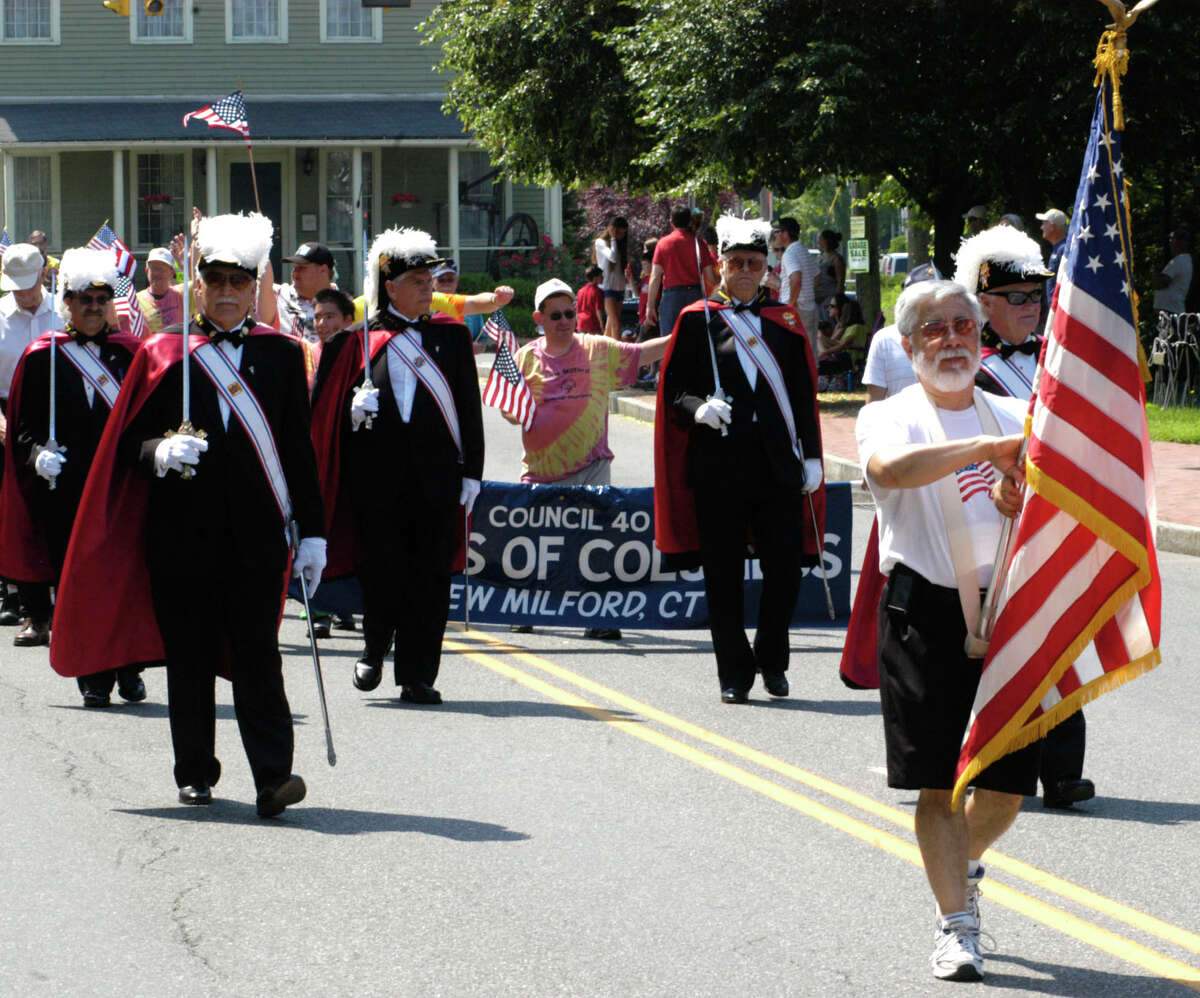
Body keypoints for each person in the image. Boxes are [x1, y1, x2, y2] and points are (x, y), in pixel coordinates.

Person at [50, 212, 325, 818]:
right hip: (180, 535)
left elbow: (298, 453)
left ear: (256, 286)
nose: (227, 291)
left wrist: (315, 534)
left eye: (239, 280)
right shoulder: (162, 352)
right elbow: (125, 445)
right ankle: (196, 771)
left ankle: (273, 777)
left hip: (256, 537)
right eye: (216, 279)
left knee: (259, 656)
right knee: (191, 660)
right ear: (197, 284)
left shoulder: (281, 355)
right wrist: (159, 452)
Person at [855, 278, 1039, 981]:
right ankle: (956, 923)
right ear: (908, 346)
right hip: (924, 612)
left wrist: (1013, 490)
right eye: (936, 329)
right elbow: (889, 472)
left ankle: (959, 865)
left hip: (1011, 614)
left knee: (1008, 787)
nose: (954, 338)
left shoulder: (1015, 412)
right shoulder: (892, 414)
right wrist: (986, 452)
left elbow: (1042, 506)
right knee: (939, 786)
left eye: (965, 324)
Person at [654, 216, 824, 703]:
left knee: (785, 571)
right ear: (720, 268)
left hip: (777, 465)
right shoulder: (696, 319)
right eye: (735, 263)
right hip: (718, 465)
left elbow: (803, 396)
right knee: (723, 576)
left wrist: (812, 457)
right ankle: (734, 672)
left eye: (753, 262)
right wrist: (699, 409)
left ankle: (771, 660)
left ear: (766, 267)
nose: (744, 270)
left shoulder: (785, 324)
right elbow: (675, 394)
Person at [311, 226, 483, 705]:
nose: (430, 288)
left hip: (436, 476)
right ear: (390, 287)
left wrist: (473, 473)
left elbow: (469, 408)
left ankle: (417, 674)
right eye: (418, 281)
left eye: (430, 280)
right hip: (377, 479)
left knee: (429, 578)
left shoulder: (450, 338)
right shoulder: (356, 342)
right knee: (382, 570)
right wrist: (352, 408)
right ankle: (372, 649)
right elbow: (321, 416)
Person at [955, 224, 1094, 810]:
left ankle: (1062, 772)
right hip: (992, 522)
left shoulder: (1058, 361)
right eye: (1016, 298)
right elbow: (955, 451)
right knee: (991, 649)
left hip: (1055, 517)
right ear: (984, 303)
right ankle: (980, 756)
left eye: (1036, 296)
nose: (1030, 306)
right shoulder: (965, 368)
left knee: (1058, 642)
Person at [0, 249, 145, 704]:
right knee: (78, 587)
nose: (94, 307)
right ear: (67, 303)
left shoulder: (130, 355)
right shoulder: (43, 356)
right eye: (84, 299)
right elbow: (21, 429)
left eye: (102, 299)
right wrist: (36, 455)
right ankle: (93, 674)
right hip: (66, 489)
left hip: (121, 488)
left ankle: (128, 667)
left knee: (123, 580)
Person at [504, 278, 671, 640]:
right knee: (540, 544)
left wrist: (680, 336)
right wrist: (516, 407)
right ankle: (527, 608)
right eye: (556, 315)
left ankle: (598, 618)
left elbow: (640, 353)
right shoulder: (526, 357)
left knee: (593, 541)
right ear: (539, 318)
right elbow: (510, 413)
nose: (564, 321)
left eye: (569, 313)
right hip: (541, 471)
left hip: (592, 466)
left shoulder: (596, 348)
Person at [0, 243, 59, 629]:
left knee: (54, 511)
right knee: (12, 511)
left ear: (43, 274)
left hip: (58, 417)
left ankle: (55, 596)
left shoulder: (64, 311)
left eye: (28, 283)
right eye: (15, 285)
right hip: (7, 417)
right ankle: (17, 594)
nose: (23, 292)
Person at [862, 263, 941, 403]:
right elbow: (874, 400)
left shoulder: (955, 339)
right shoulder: (884, 339)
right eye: (920, 296)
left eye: (935, 295)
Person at [646, 208, 718, 340]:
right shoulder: (699, 243)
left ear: (671, 222)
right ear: (690, 222)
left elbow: (655, 277)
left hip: (671, 297)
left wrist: (650, 306)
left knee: (668, 342)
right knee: (695, 341)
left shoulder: (663, 243)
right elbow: (710, 279)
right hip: (695, 296)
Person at [274, 242, 336, 340]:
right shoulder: (278, 295)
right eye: (294, 267)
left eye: (302, 268)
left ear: (323, 270)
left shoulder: (343, 305)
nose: (295, 273)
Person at [771, 217, 819, 336]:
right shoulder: (803, 250)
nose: (775, 236)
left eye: (777, 232)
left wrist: (791, 304)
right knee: (808, 349)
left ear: (785, 234)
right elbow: (817, 274)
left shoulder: (789, 254)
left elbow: (796, 278)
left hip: (796, 311)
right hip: (809, 307)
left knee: (793, 350)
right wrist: (806, 294)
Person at [817, 293, 868, 385]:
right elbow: (839, 344)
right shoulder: (851, 328)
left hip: (848, 359)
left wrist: (825, 352)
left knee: (820, 365)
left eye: (845, 312)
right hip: (842, 356)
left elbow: (842, 345)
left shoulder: (855, 328)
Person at [593, 216, 630, 340]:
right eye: (619, 232)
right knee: (616, 324)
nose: (621, 236)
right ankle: (618, 353)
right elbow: (612, 257)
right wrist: (613, 238)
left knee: (611, 325)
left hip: (619, 286)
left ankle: (603, 351)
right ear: (612, 230)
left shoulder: (620, 244)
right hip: (607, 287)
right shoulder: (600, 242)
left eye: (623, 233)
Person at [136, 247, 185, 335]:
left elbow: (200, 283)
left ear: (171, 273)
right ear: (147, 271)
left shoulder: (182, 294)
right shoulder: (135, 301)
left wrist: (185, 265)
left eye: (161, 269)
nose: (157, 273)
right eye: (153, 268)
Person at [1152, 229, 1192, 315]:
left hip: (1170, 311)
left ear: (1181, 242)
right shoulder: (1184, 260)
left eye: (1172, 239)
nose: (1170, 243)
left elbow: (1161, 283)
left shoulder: (1179, 261)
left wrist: (1155, 274)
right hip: (1172, 309)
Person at [1036, 208, 1069, 306]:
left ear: (1053, 226)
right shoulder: (1059, 248)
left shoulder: (1064, 249)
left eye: (1044, 223)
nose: (1042, 227)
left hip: (1061, 306)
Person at [814, 229, 846, 314]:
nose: (818, 242)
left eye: (820, 239)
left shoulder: (836, 259)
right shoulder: (820, 257)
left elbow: (840, 281)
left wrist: (837, 300)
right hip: (817, 297)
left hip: (829, 298)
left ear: (826, 241)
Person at [575, 265, 605, 335]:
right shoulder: (598, 292)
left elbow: (577, 310)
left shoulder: (580, 291)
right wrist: (602, 327)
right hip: (593, 326)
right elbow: (598, 311)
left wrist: (578, 324)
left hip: (581, 325)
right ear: (595, 278)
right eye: (601, 276)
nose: (603, 278)